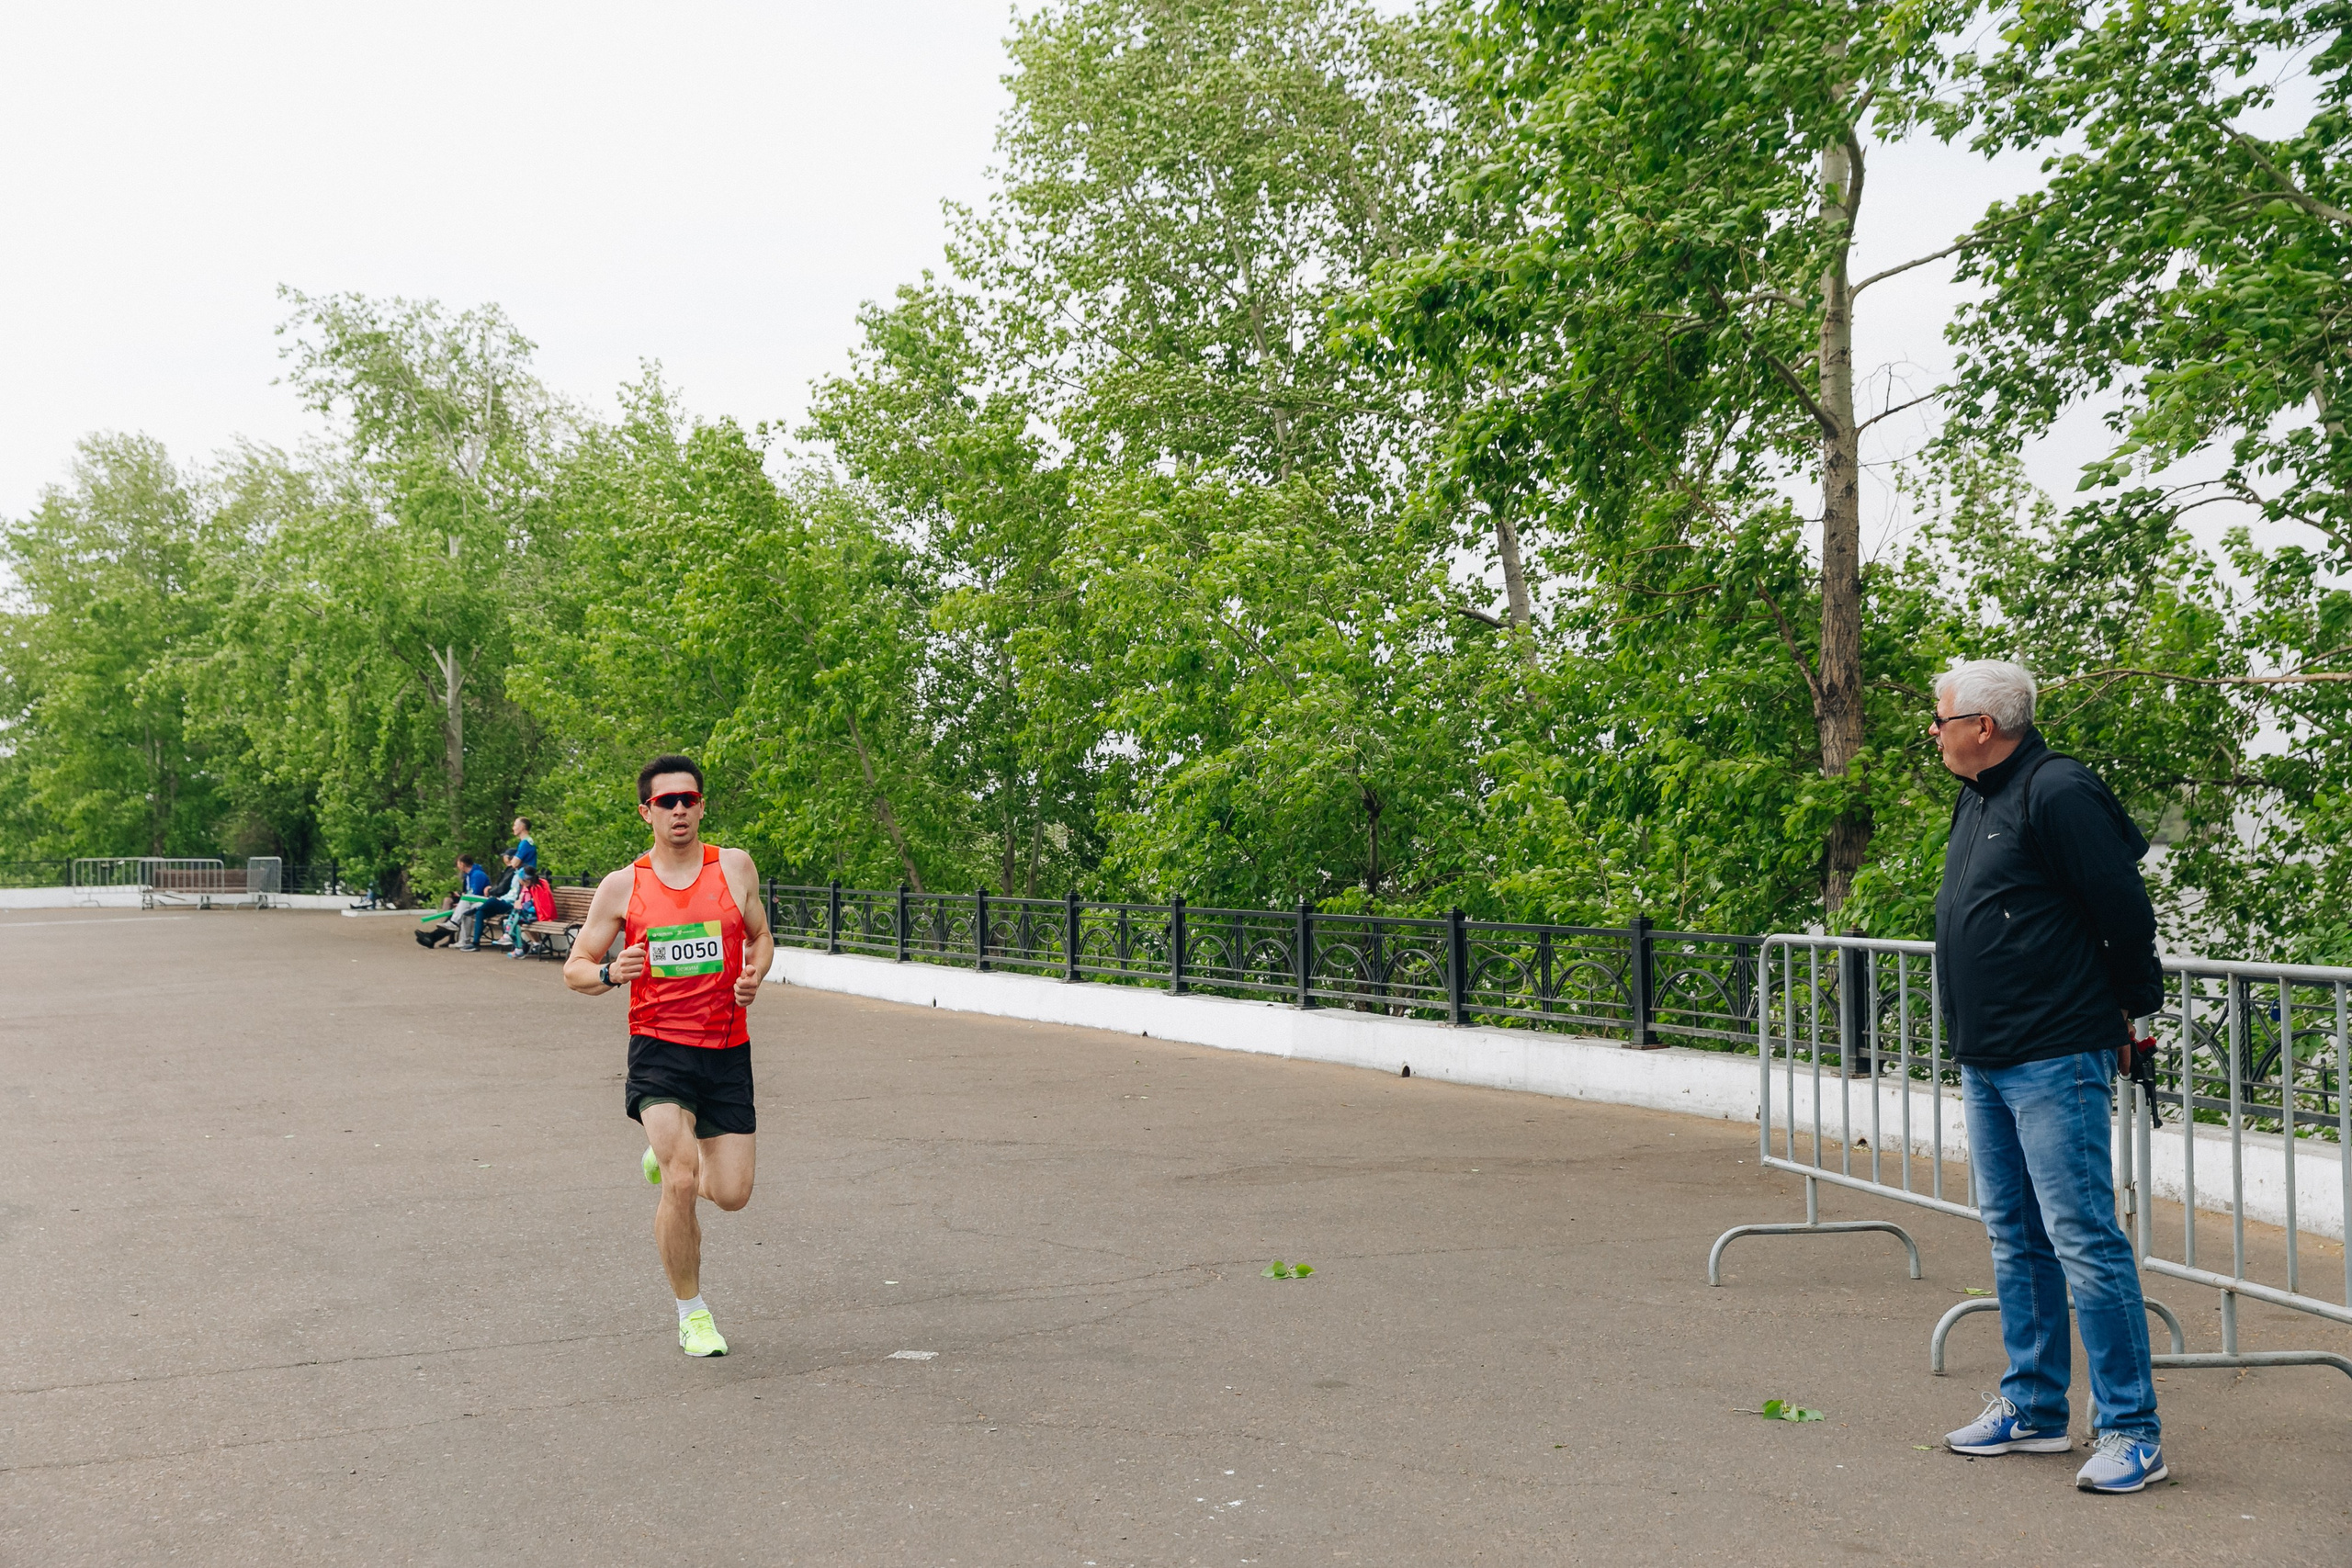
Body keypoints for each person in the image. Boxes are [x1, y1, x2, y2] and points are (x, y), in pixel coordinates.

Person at [1931, 659, 2168, 1495]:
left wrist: (2135, 1012)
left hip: (2056, 1049)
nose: (1935, 731)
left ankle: (2133, 1429)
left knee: (2084, 1239)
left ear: (1983, 727)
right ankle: (2034, 1407)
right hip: (1991, 1051)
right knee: (2015, 1232)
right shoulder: (1981, 793)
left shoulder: (2057, 790)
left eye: (1941, 719)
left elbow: (2123, 906)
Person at [563, 754, 775, 1358]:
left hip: (727, 1051)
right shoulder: (623, 886)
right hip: (659, 1049)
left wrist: (754, 973)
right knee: (682, 1179)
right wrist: (610, 970)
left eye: (688, 798)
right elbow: (575, 969)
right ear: (646, 812)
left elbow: (761, 936)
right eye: (666, 801)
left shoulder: (734, 868)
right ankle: (693, 1312)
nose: (678, 808)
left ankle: (664, 1159)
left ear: (702, 804)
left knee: (732, 1192)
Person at [458, 857, 515, 953]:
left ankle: (474, 910)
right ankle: (475, 943)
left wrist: (491, 891)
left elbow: (505, 890)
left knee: (490, 901)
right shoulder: (507, 871)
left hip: (509, 903)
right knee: (481, 912)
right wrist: (493, 891)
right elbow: (500, 887)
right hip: (501, 899)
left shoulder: (516, 873)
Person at [507, 864, 555, 958]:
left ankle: (518, 945)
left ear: (525, 879)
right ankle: (535, 944)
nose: (518, 881)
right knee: (517, 918)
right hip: (535, 913)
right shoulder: (532, 885)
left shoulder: (537, 886)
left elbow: (538, 904)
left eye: (519, 879)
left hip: (542, 914)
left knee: (517, 919)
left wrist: (521, 906)